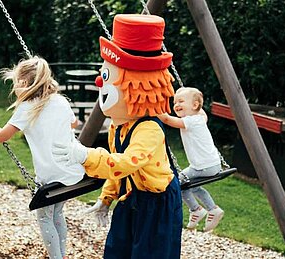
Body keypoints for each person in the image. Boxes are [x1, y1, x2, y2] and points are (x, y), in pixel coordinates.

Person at [52, 14, 182, 258]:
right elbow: (118, 169)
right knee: (116, 250)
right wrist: (107, 198)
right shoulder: (118, 127)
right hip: (130, 196)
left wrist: (86, 156)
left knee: (150, 253)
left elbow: (125, 163)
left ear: (137, 86)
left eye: (108, 77)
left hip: (156, 204)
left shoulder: (149, 130)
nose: (100, 81)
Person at [0, 56, 85, 259]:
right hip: (73, 172)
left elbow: (1, 136)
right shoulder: (61, 101)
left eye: (15, 84)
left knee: (45, 218)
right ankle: (61, 255)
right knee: (58, 213)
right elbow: (74, 124)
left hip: (50, 178)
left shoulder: (27, 108)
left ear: (25, 83)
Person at [158, 87, 224, 232]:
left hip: (201, 166)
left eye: (181, 101)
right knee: (193, 187)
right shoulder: (201, 118)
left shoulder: (191, 121)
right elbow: (201, 111)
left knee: (178, 183)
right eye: (175, 102)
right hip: (212, 165)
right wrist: (186, 93)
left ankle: (196, 210)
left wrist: (154, 109)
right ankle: (213, 209)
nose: (176, 105)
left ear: (194, 106)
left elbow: (168, 120)